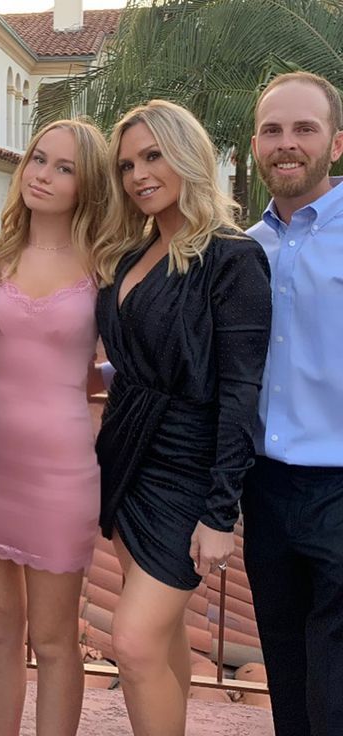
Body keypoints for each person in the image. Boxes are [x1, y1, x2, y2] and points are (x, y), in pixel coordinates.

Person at [93, 100, 271, 736]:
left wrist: (220, 512)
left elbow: (240, 389)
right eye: (128, 164)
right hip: (127, 460)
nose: (139, 173)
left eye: (153, 155)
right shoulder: (129, 252)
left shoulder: (232, 256)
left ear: (187, 155)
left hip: (187, 470)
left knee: (134, 644)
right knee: (159, 638)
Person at [0, 119, 108, 736]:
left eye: (64, 168)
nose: (43, 174)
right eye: (39, 159)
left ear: (86, 185)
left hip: (61, 473)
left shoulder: (105, 267)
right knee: (0, 632)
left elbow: (131, 364)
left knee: (57, 640)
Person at [243, 71, 343, 736]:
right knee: (284, 672)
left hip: (340, 489)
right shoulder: (244, 248)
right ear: (255, 145)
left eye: (304, 129)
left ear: (336, 143)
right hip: (265, 489)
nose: (288, 144)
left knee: (334, 691)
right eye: (274, 130)